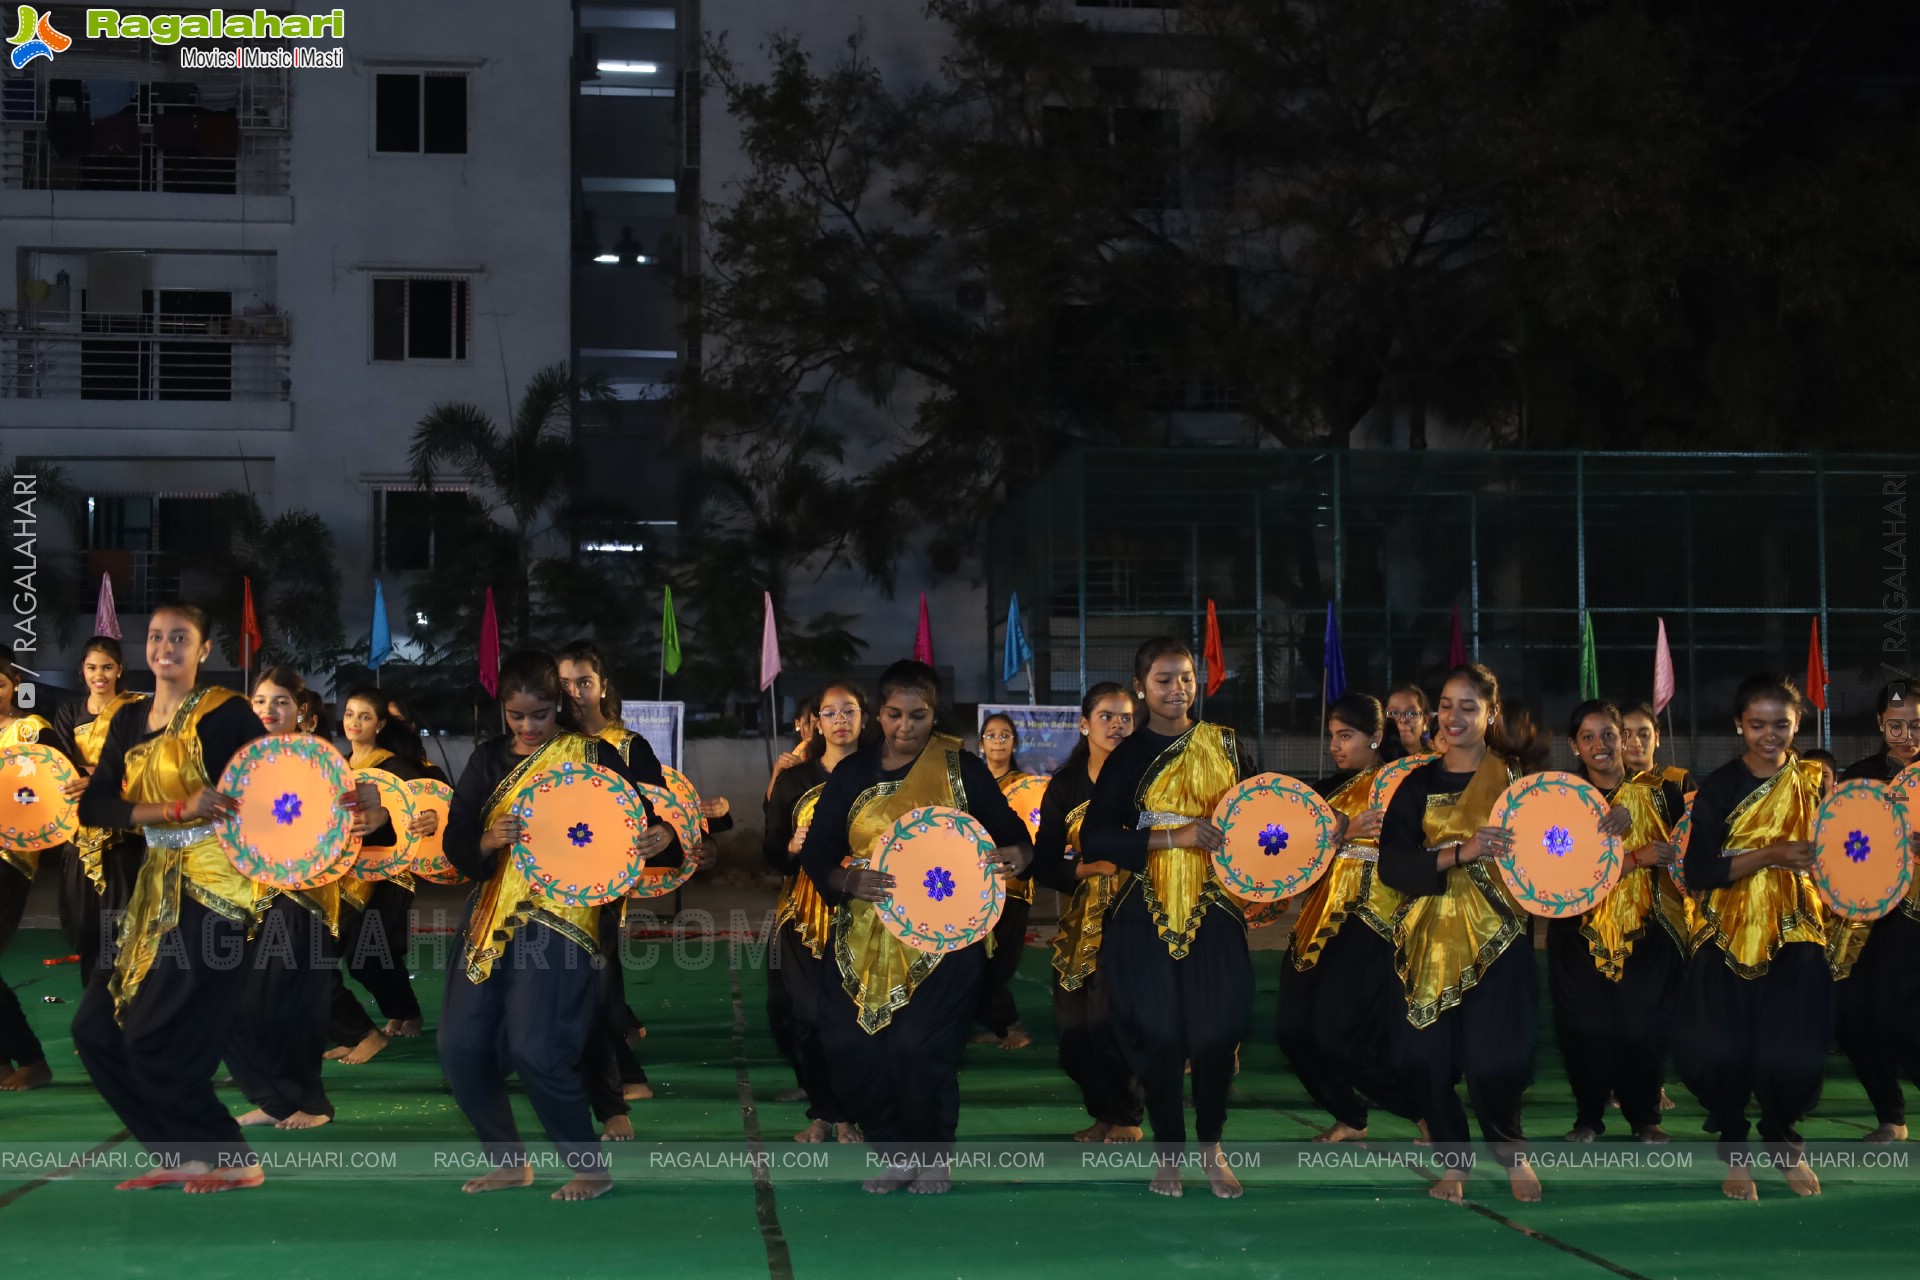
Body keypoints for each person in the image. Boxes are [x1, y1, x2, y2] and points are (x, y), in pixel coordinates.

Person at [439, 649, 698, 1200]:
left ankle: (588, 1167)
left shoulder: (596, 753)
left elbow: (647, 820)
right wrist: (486, 840)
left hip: (564, 917)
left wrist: (663, 839)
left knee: (538, 1048)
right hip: (492, 913)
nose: (529, 727)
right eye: (517, 716)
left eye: (540, 714)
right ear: (502, 712)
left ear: (559, 705)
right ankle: (507, 1162)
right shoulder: (487, 760)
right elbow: (458, 835)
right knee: (460, 1045)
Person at [799, 660, 1033, 1194]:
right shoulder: (852, 775)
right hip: (863, 936)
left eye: (919, 716)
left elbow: (1015, 837)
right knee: (850, 1047)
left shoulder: (961, 769)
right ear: (878, 714)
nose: (906, 727)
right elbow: (816, 854)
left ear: (935, 714)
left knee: (918, 1048)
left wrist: (1016, 855)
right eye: (895, 715)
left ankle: (932, 1153)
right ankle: (892, 1149)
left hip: (946, 937)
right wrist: (846, 881)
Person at [70, 604, 270, 1190]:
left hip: (216, 891)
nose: (165, 647)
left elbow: (278, 783)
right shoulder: (128, 720)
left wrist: (355, 805)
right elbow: (95, 806)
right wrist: (174, 810)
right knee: (95, 1031)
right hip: (153, 889)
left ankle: (231, 1157)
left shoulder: (227, 714)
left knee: (152, 1033)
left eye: (180, 638)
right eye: (156, 637)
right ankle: (182, 1153)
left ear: (205, 651)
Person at [1081, 637, 1255, 1199]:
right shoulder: (1127, 755)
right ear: (1141, 686)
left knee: (1213, 1035)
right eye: (1163, 679)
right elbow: (1096, 837)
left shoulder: (1225, 745)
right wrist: (1171, 836)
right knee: (1157, 1035)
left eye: (1185, 678)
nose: (1177, 689)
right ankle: (1169, 1153)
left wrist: (1273, 878)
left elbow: (1262, 817)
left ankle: (1211, 1146)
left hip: (1216, 910)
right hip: (1144, 913)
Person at [1378, 663, 1557, 1204]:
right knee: (1423, 1062)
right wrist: (1462, 851)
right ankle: (1454, 1164)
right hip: (1427, 942)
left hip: (1500, 940)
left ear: (1491, 714)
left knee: (1496, 1060)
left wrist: (1608, 825)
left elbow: (1556, 849)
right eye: (1447, 705)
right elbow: (1392, 865)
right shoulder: (1417, 783)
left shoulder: (1516, 784)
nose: (1454, 717)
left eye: (1468, 707)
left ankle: (1511, 1154)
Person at [1673, 673, 1830, 1200]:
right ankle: (1736, 1151)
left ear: (1797, 724)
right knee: (1723, 1050)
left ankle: (1785, 1143)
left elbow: (1839, 851)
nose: (1770, 735)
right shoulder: (1718, 787)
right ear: (1739, 725)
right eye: (1757, 724)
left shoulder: (1813, 780)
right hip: (1727, 933)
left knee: (1796, 1049)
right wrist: (1771, 854)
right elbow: (1698, 872)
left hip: (1796, 930)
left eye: (1780, 725)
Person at [1277, 693, 1420, 1145]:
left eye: (1347, 736)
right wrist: (1341, 830)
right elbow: (1291, 848)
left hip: (1373, 922)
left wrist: (1346, 832)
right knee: (1293, 1029)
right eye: (1332, 737)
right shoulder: (1323, 792)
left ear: (1376, 737)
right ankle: (1349, 1115)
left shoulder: (1405, 785)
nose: (1336, 746)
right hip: (1317, 923)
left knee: (1342, 1035)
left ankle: (1424, 1114)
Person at [1550, 700, 1690, 1145]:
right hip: (1577, 932)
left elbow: (1686, 855)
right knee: (1584, 1028)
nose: (1601, 745)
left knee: (1640, 1026)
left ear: (1623, 738)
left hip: (1647, 929)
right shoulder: (1559, 799)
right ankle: (1588, 1119)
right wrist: (1631, 855)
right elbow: (1554, 868)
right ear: (1574, 746)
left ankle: (1645, 1118)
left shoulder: (1660, 791)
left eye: (1608, 734)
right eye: (1587, 737)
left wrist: (1645, 825)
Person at [224, 667, 358, 1131]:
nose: (268, 710)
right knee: (227, 999)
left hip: (305, 894)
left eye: (279, 702)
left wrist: (368, 810)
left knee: (294, 1000)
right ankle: (274, 1099)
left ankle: (312, 1101)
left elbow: (358, 809)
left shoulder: (320, 759)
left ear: (300, 710)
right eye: (260, 701)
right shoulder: (239, 761)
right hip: (244, 893)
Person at [1031, 682, 1143, 1142]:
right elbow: (1043, 860)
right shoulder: (1066, 784)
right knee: (1074, 1033)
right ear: (1084, 724)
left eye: (1125, 718)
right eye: (1107, 717)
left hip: (1136, 918)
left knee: (1112, 1022)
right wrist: (1086, 867)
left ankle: (1126, 1117)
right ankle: (1104, 1111)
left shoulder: (1147, 779)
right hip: (1080, 923)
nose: (1117, 725)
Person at [763, 680, 868, 1143]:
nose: (841, 720)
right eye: (831, 712)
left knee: (855, 1017)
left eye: (850, 711)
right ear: (816, 723)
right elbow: (769, 852)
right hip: (803, 915)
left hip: (866, 914)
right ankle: (825, 1111)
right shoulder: (795, 781)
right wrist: (790, 846)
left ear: (864, 718)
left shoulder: (881, 777)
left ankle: (844, 1112)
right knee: (806, 1014)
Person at [325, 686, 441, 1066]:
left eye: (365, 716)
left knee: (365, 954)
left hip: (389, 876)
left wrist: (429, 818)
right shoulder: (338, 766)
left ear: (380, 724)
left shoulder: (394, 767)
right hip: (345, 875)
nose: (355, 722)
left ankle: (402, 1014)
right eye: (350, 714)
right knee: (339, 956)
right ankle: (376, 1022)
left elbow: (431, 802)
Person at [1834, 682, 1920, 1143]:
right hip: (1870, 917)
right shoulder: (1861, 777)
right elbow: (1842, 842)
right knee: (1852, 1017)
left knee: (1903, 1020)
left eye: (1916, 724)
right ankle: (1891, 1116)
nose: (1906, 733)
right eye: (1896, 725)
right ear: (1880, 725)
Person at [48, 638, 147, 995]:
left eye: (107, 667)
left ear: (119, 669)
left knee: (123, 931)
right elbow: (59, 769)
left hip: (125, 839)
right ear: (82, 671)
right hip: (80, 838)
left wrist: (97, 776)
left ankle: (126, 1018)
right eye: (92, 668)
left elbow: (144, 762)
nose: (99, 675)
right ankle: (96, 1021)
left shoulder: (138, 709)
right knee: (84, 930)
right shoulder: (69, 713)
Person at [0, 658, 56, 1093]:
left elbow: (56, 778)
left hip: (11, 859)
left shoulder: (30, 730)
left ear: (14, 684)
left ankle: (33, 1060)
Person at [972, 711, 1033, 1050]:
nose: (998, 740)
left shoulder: (1027, 787)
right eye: (991, 735)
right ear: (981, 744)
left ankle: (1013, 1027)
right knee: (974, 962)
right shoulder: (973, 784)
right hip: (974, 887)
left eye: (1005, 735)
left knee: (997, 965)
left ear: (1014, 742)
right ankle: (1001, 1027)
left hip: (1012, 888)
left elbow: (1032, 836)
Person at [1620, 701, 1695, 795]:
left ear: (1656, 737)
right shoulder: (1606, 784)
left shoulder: (1679, 781)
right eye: (1628, 735)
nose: (1636, 742)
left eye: (1644, 735)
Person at [766, 697, 819, 800]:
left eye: (816, 725)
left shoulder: (828, 757)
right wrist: (777, 771)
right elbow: (771, 802)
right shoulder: (792, 758)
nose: (811, 731)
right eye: (807, 724)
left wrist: (801, 771)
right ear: (797, 724)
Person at [1385, 684, 1434, 757]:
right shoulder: (1373, 763)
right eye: (1394, 713)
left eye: (1412, 713)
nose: (1403, 720)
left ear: (1426, 721)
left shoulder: (1438, 763)